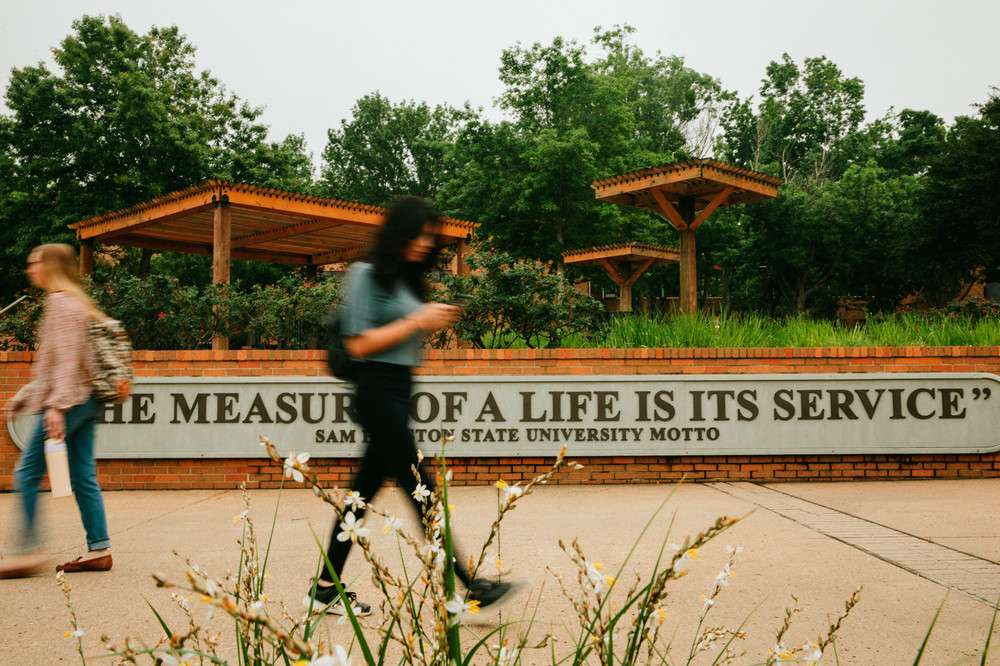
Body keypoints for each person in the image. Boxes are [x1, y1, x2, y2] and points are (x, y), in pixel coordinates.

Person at [306, 196, 521, 616]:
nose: (426, 243)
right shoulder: (366, 275)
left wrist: (426, 315)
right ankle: (469, 586)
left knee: (359, 497)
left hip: (398, 392)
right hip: (375, 391)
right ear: (399, 232)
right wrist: (417, 320)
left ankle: (324, 588)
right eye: (419, 234)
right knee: (421, 488)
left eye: (431, 237)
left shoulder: (405, 281)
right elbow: (358, 343)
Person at [1, 244, 112, 578]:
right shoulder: (75, 302)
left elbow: (65, 365)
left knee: (27, 473)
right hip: (86, 398)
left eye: (33, 263)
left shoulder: (61, 303)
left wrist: (55, 407)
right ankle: (100, 549)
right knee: (82, 475)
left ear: (49, 266)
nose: (29, 269)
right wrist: (28, 396)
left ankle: (25, 552)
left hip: (71, 401)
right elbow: (65, 363)